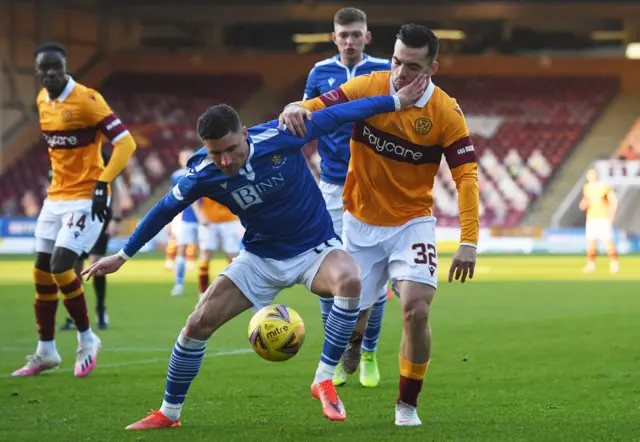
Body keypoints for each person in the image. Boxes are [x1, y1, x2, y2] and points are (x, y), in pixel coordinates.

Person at [82, 83, 426, 429]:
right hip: (261, 258)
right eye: (216, 153)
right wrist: (123, 255)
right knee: (197, 323)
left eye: (231, 149)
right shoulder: (203, 173)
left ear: (244, 134)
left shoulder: (282, 135)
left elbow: (344, 112)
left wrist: (398, 100)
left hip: (315, 250)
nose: (225, 161)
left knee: (351, 278)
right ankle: (168, 413)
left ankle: (323, 379)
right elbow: (163, 210)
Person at [279, 23, 479, 426]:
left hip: (412, 223)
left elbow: (466, 176)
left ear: (432, 68)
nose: (400, 73)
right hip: (360, 224)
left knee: (416, 310)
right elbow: (319, 106)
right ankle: (354, 346)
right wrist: (294, 107)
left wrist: (469, 240)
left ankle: (407, 406)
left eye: (412, 67)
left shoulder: (445, 112)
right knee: (355, 325)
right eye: (396, 61)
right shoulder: (370, 86)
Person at [12, 42, 136, 377]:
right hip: (56, 198)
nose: (51, 73)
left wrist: (103, 182)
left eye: (57, 67)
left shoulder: (87, 99)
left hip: (86, 197)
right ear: (38, 72)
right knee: (41, 272)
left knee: (60, 265)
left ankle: (86, 339)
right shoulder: (42, 101)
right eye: (44, 68)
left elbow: (126, 143)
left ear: (66, 67)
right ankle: (47, 351)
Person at [302, 6, 392, 389]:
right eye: (344, 35)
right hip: (333, 186)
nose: (351, 41)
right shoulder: (319, 74)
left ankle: (368, 350)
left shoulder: (385, 70)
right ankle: (335, 354)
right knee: (330, 272)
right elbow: (302, 122)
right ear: (334, 38)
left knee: (372, 273)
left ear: (367, 36)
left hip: (374, 186)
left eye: (357, 34)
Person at [59, 148, 124, 331]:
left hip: (101, 217)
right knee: (76, 267)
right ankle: (76, 315)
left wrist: (116, 219)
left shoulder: (103, 157)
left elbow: (115, 187)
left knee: (96, 263)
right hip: (78, 218)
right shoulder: (73, 157)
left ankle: (100, 309)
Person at [195, 197, 242, 296]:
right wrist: (199, 215)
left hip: (230, 221)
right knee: (205, 255)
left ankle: (235, 292)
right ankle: (202, 294)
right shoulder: (203, 181)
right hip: (208, 221)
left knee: (233, 258)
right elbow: (193, 197)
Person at [170, 148, 200, 296]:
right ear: (180, 160)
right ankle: (179, 284)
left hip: (204, 220)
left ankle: (203, 287)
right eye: (184, 157)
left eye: (189, 156)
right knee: (181, 249)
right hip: (186, 219)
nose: (186, 160)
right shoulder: (177, 176)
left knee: (204, 253)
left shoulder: (202, 172)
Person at [579, 168, 619, 273]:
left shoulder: (604, 186)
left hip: (603, 217)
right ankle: (591, 263)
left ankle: (614, 263)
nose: (590, 176)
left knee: (607, 240)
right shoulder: (587, 188)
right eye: (589, 174)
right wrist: (583, 204)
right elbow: (586, 200)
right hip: (591, 218)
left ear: (596, 175)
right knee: (591, 241)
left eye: (592, 174)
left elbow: (613, 200)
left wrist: (612, 213)